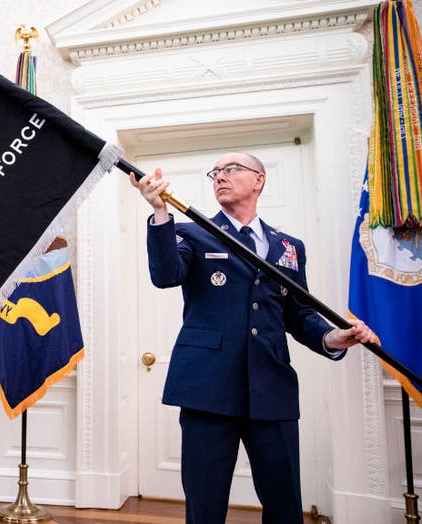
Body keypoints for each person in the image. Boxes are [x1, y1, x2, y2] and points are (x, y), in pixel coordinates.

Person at [129, 152, 375, 524]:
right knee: (205, 505)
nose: (220, 177)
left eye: (231, 169)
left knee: (284, 502)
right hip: (206, 388)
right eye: (216, 173)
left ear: (258, 180)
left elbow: (298, 313)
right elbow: (166, 274)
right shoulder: (193, 232)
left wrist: (332, 337)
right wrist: (161, 212)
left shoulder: (289, 247)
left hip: (271, 388)